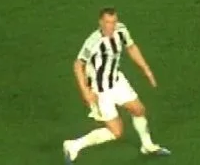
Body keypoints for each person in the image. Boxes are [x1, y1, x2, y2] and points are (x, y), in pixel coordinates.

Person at [63, 8, 170, 163]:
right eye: (107, 22)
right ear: (100, 22)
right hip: (101, 90)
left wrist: (146, 69)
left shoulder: (121, 30)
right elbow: (78, 65)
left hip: (117, 81)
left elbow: (131, 47)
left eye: (114, 22)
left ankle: (147, 145)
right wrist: (85, 91)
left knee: (138, 109)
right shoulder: (93, 41)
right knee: (116, 132)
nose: (111, 26)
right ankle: (73, 145)